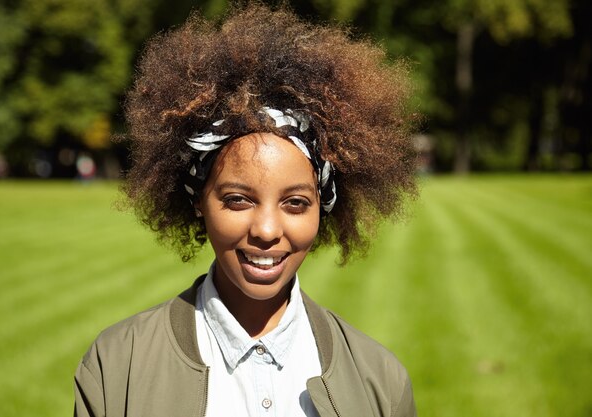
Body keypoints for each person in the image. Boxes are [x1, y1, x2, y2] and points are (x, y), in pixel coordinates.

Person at [74, 3, 417, 417]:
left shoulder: (379, 381)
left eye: (295, 203)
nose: (268, 230)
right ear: (199, 201)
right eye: (238, 200)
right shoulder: (116, 368)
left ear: (322, 209)